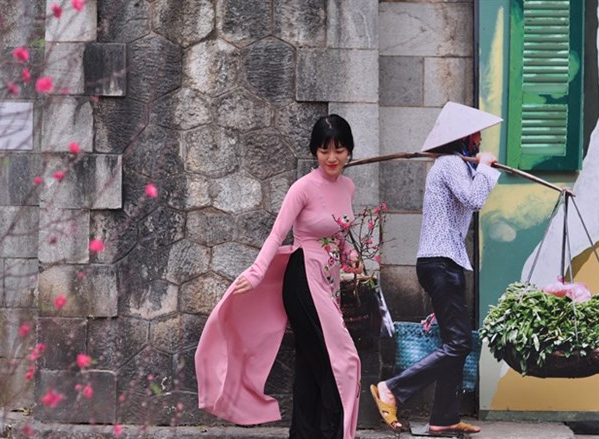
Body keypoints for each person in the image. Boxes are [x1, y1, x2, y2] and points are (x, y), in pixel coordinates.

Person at [195, 114, 364, 439]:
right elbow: (277, 235)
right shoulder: (303, 188)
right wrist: (257, 273)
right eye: (324, 150)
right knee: (340, 360)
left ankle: (303, 433)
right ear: (314, 151)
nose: (332, 158)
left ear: (349, 151)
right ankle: (334, 432)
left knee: (311, 364)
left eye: (339, 150)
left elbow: (339, 232)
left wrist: (350, 256)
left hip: (328, 282)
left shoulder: (348, 187)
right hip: (303, 279)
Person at [370, 101, 503, 434]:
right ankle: (393, 389)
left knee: (455, 342)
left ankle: (443, 418)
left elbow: (468, 199)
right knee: (459, 343)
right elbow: (475, 199)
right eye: (476, 134)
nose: (480, 140)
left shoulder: (456, 166)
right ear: (464, 137)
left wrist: (481, 169)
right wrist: (486, 168)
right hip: (440, 264)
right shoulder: (449, 164)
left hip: (445, 263)